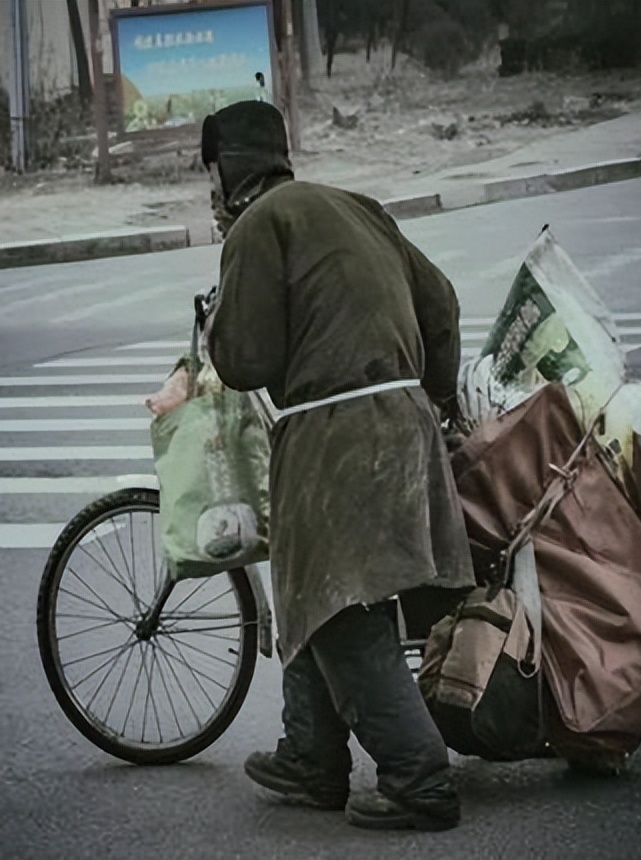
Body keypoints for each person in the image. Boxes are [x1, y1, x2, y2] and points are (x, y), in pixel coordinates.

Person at [200, 101, 476, 831]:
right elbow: (440, 302)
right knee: (316, 595)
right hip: (403, 418)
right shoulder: (357, 207)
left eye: (210, 179)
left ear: (228, 174)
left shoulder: (257, 227)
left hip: (339, 434)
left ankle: (420, 780)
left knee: (346, 613)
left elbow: (244, 360)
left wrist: (215, 324)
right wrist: (437, 399)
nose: (209, 196)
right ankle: (310, 756)